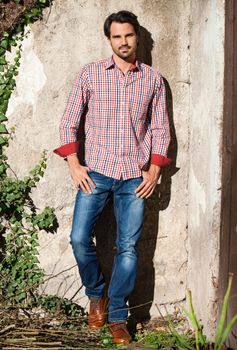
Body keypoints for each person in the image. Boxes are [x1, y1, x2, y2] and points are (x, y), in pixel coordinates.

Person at [53, 10, 171, 344]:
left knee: (129, 247)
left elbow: (161, 129)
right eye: (117, 36)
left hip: (135, 176)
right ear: (109, 40)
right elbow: (68, 122)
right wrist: (74, 164)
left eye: (129, 35)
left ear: (138, 38)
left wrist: (155, 171)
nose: (123, 42)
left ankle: (118, 317)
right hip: (97, 172)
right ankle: (96, 296)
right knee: (78, 238)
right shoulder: (90, 75)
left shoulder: (152, 80)